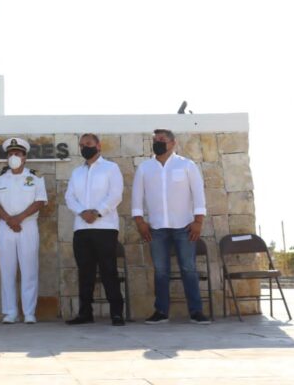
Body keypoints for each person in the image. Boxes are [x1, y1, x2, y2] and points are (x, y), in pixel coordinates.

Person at [132, 129, 211, 325]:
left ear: (173, 143)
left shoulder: (186, 165)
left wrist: (198, 221)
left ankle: (196, 312)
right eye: (155, 140)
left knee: (189, 268)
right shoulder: (144, 168)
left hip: (185, 226)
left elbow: (199, 194)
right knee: (160, 270)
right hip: (156, 228)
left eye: (162, 139)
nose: (157, 142)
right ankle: (161, 312)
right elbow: (136, 196)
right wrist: (140, 222)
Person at [64, 133, 126, 326]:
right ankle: (85, 313)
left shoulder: (111, 168)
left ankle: (116, 313)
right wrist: (83, 212)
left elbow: (115, 195)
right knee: (85, 272)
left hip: (105, 228)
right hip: (81, 228)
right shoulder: (77, 172)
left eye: (88, 144)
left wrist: (97, 212)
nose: (84, 147)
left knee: (109, 271)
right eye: (81, 145)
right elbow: (69, 197)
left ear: (98, 146)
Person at [0, 137, 48, 324]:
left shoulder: (36, 177)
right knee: (7, 270)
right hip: (6, 227)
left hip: (27, 226)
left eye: (17, 154)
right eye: (10, 154)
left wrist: (19, 218)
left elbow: (40, 201)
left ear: (25, 158)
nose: (13, 156)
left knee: (29, 269)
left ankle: (29, 312)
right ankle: (10, 312)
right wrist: (9, 219)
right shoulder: (0, 180)